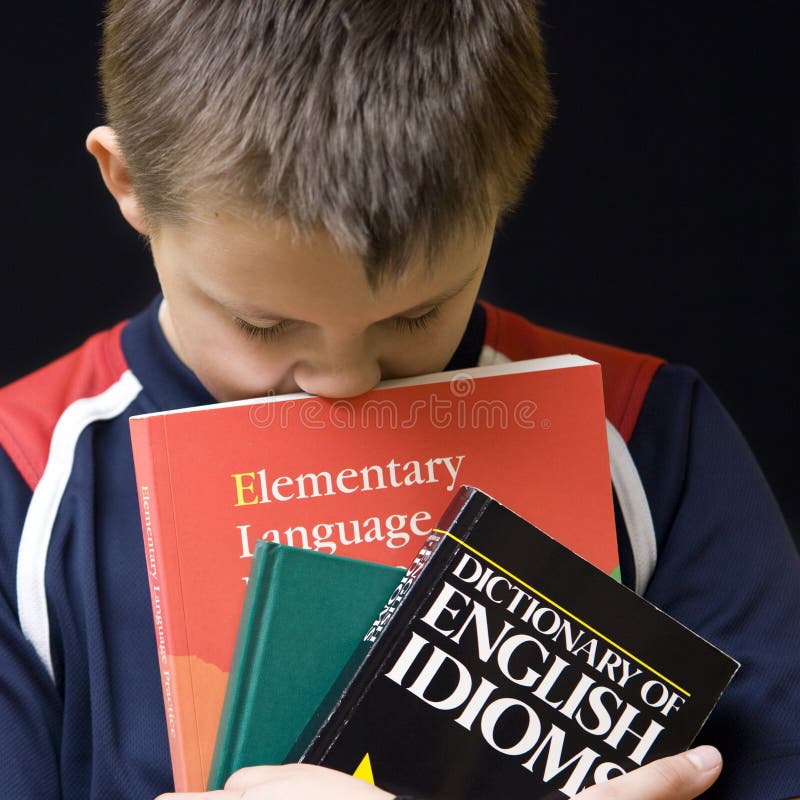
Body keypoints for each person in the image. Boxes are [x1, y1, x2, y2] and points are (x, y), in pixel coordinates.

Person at [0, 2, 797, 799]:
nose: (343, 382)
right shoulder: (23, 477)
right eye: (263, 323)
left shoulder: (647, 432)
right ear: (128, 180)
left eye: (415, 315)